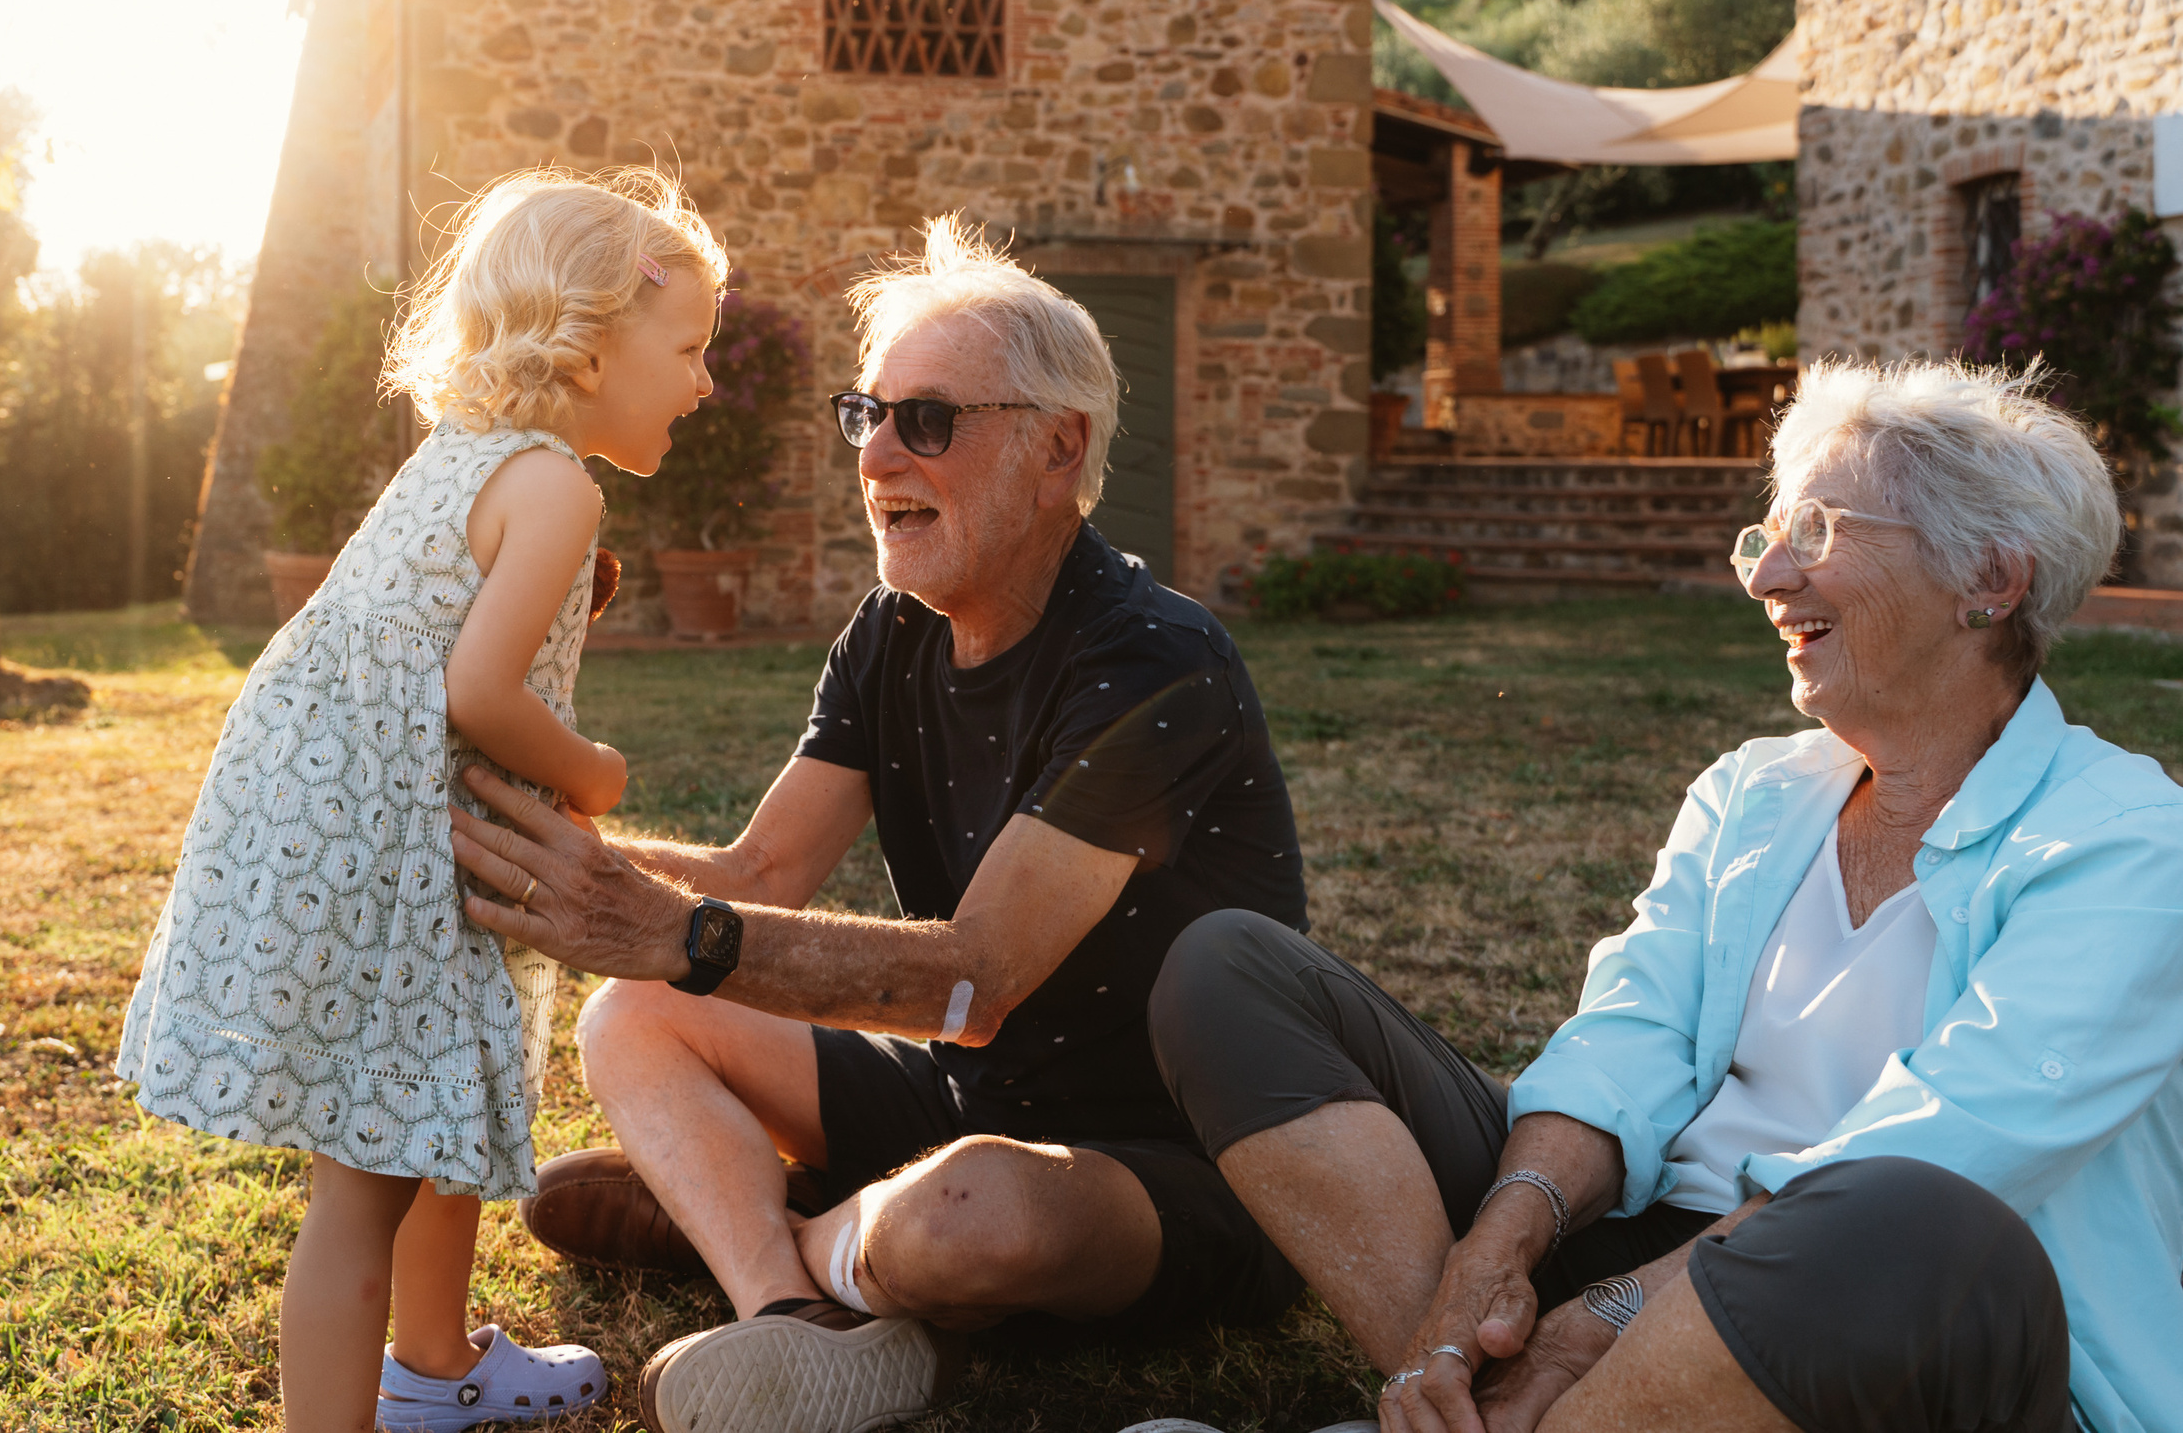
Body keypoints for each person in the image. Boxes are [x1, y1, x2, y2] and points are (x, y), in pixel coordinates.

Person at [1146, 358, 2183, 1433]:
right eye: (1767, 533)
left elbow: (1955, 1138)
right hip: (1650, 1265)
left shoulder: (2126, 843)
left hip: (1895, 1332)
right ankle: (1462, 1386)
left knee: (1899, 1212)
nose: (1766, 574)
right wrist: (1495, 1253)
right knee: (1230, 969)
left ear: (1990, 581)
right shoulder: (1755, 791)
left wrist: (1603, 1320)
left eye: (1821, 531)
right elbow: (1628, 1040)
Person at [446, 216, 1312, 1433]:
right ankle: (793, 1311)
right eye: (870, 416)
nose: (881, 458)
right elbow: (761, 874)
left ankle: (772, 1220)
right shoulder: (892, 628)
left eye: (931, 422)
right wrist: (494, 842)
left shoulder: (1155, 659)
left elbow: (979, 977)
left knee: (975, 1219)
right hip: (971, 1097)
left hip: (1178, 1160)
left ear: (1058, 447)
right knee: (633, 1010)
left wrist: (670, 927)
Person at [114, 168, 730, 1433]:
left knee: (442, 1099)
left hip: (366, 823)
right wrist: (591, 771)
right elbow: (477, 691)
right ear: (591, 343)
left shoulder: (463, 458)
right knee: (363, 1187)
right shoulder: (557, 485)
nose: (705, 380)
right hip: (394, 849)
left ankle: (436, 1366)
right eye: (689, 347)